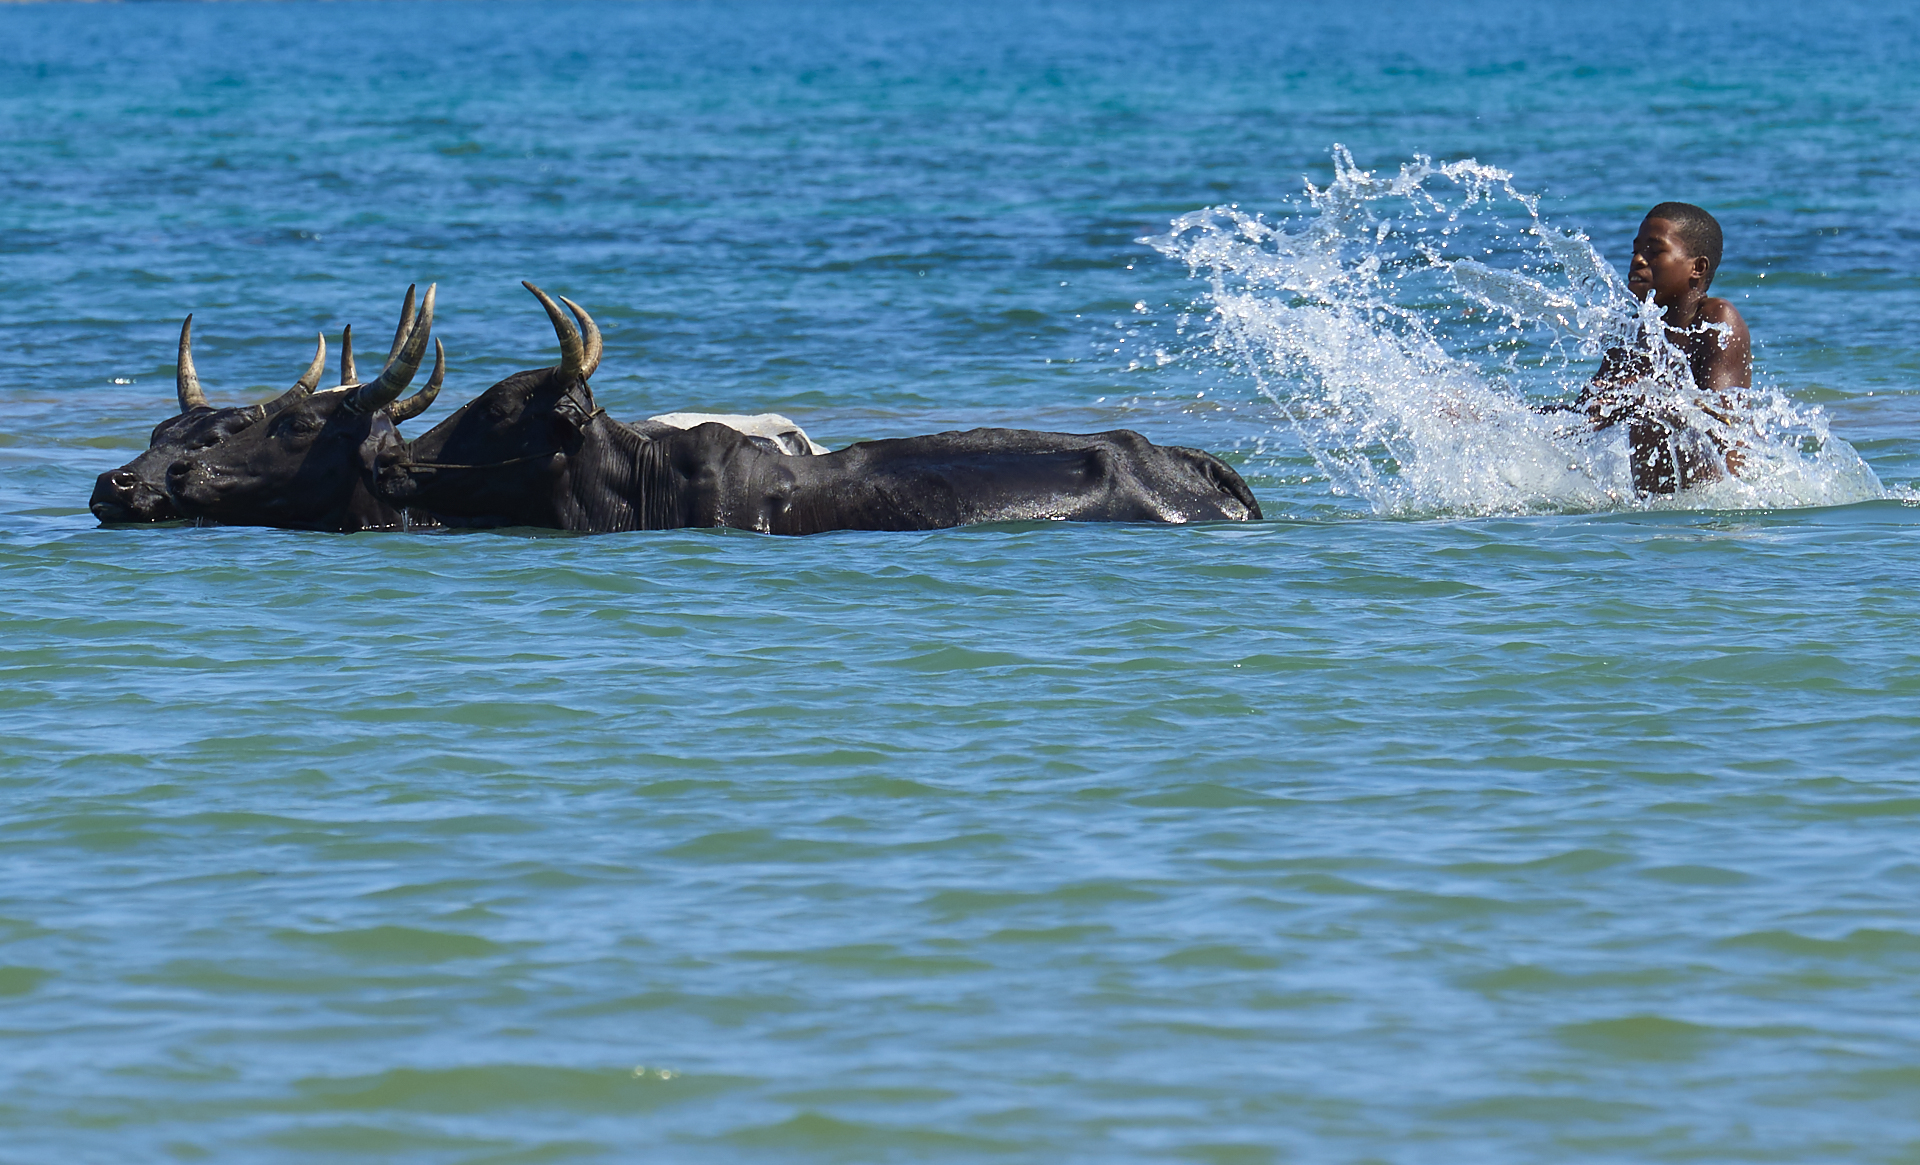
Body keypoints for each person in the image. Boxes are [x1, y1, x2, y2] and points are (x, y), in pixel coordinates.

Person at [1580, 202, 1751, 493]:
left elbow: (1721, 421)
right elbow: (1586, 416)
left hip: (1715, 512)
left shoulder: (1716, 320)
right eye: (1635, 249)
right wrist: (1507, 418)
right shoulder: (1634, 331)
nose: (1637, 260)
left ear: (1697, 268)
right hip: (1655, 519)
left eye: (1654, 250)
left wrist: (1648, 397)